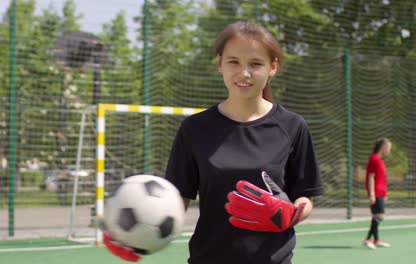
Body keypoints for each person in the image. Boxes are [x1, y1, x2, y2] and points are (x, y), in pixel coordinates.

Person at [103, 21, 324, 263]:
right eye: (233, 62)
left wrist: (291, 214)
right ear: (220, 64)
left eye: (255, 64)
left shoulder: (292, 127)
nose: (244, 73)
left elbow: (305, 196)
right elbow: (173, 201)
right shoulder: (194, 129)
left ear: (272, 68)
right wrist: (127, 233)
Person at [363, 137, 392, 250]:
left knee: (376, 216)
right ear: (383, 147)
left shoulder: (380, 160)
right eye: (388, 148)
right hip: (376, 192)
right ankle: (367, 239)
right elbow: (371, 177)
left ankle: (376, 240)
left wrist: (385, 193)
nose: (389, 150)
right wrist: (372, 194)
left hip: (380, 192)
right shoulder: (373, 159)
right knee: (380, 216)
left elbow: (382, 179)